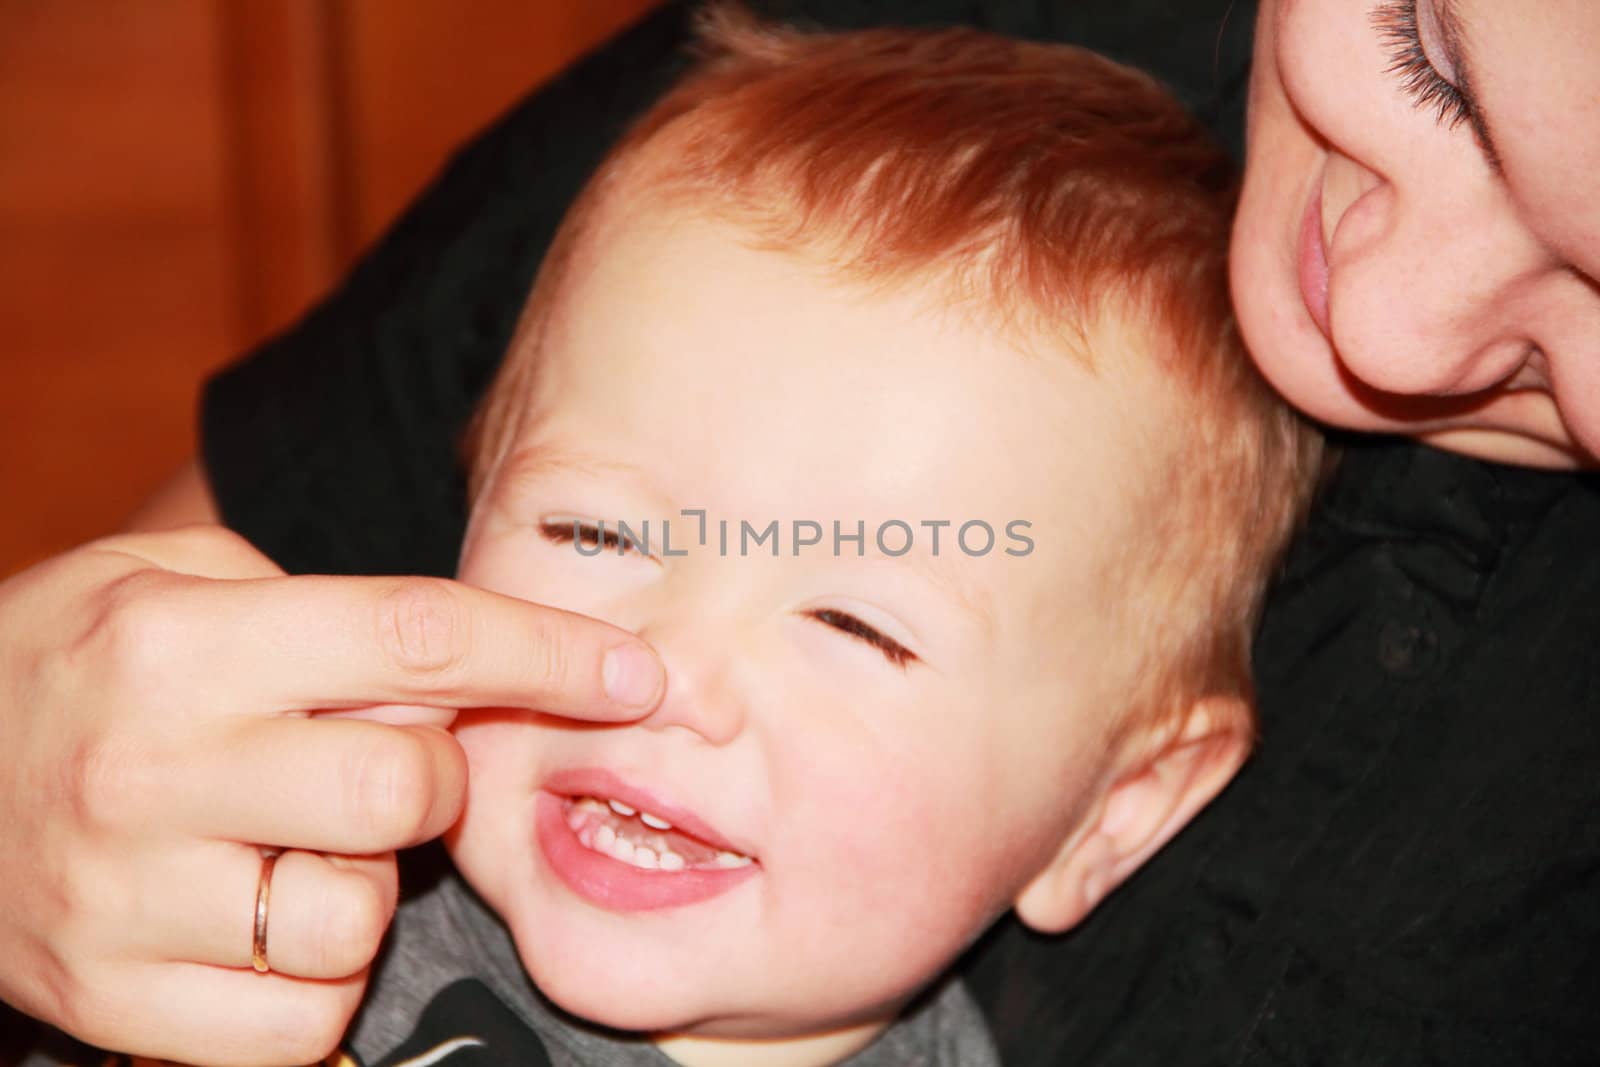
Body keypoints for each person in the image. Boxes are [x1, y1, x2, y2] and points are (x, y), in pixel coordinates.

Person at [2, 0, 1596, 1064]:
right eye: (592, 533)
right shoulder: (255, 905)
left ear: (1114, 815)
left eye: (860, 624)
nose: (665, 671)